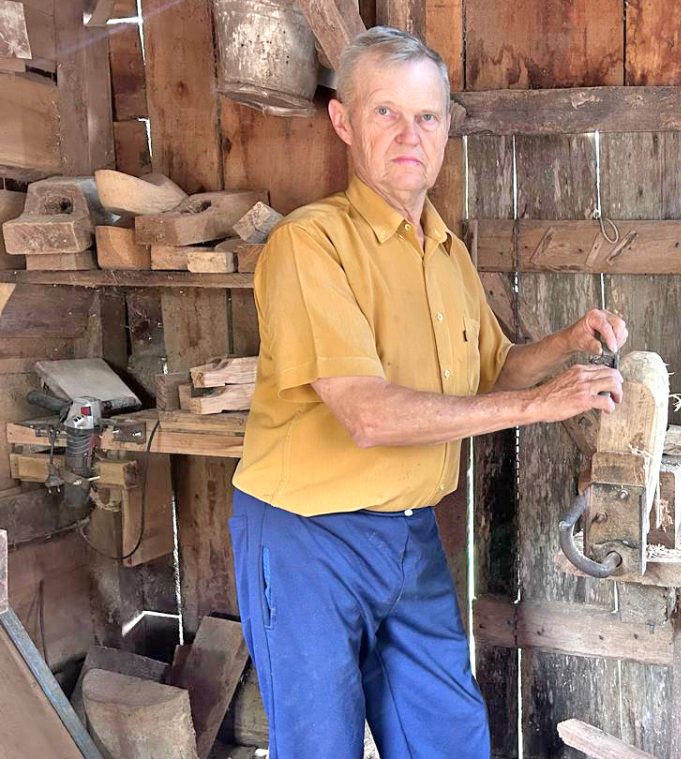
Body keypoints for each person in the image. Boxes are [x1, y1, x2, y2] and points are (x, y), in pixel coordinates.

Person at [228, 26, 627, 759]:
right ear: (343, 121)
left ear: (446, 128)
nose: (411, 134)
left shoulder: (447, 252)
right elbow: (369, 415)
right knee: (321, 744)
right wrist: (541, 405)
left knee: (447, 733)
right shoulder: (310, 245)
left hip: (408, 534)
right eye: (386, 112)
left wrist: (566, 344)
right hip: (306, 537)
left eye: (428, 116)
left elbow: (497, 372)